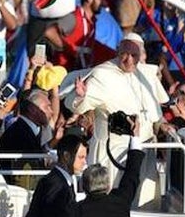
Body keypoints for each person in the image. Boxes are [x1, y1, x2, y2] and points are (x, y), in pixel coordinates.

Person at [66, 34, 168, 170]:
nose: (129, 60)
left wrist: (162, 125)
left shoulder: (147, 75)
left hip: (145, 150)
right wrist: (81, 96)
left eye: (134, 55)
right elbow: (77, 106)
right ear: (118, 52)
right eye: (125, 54)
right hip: (113, 153)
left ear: (142, 55)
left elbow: (155, 113)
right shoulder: (103, 74)